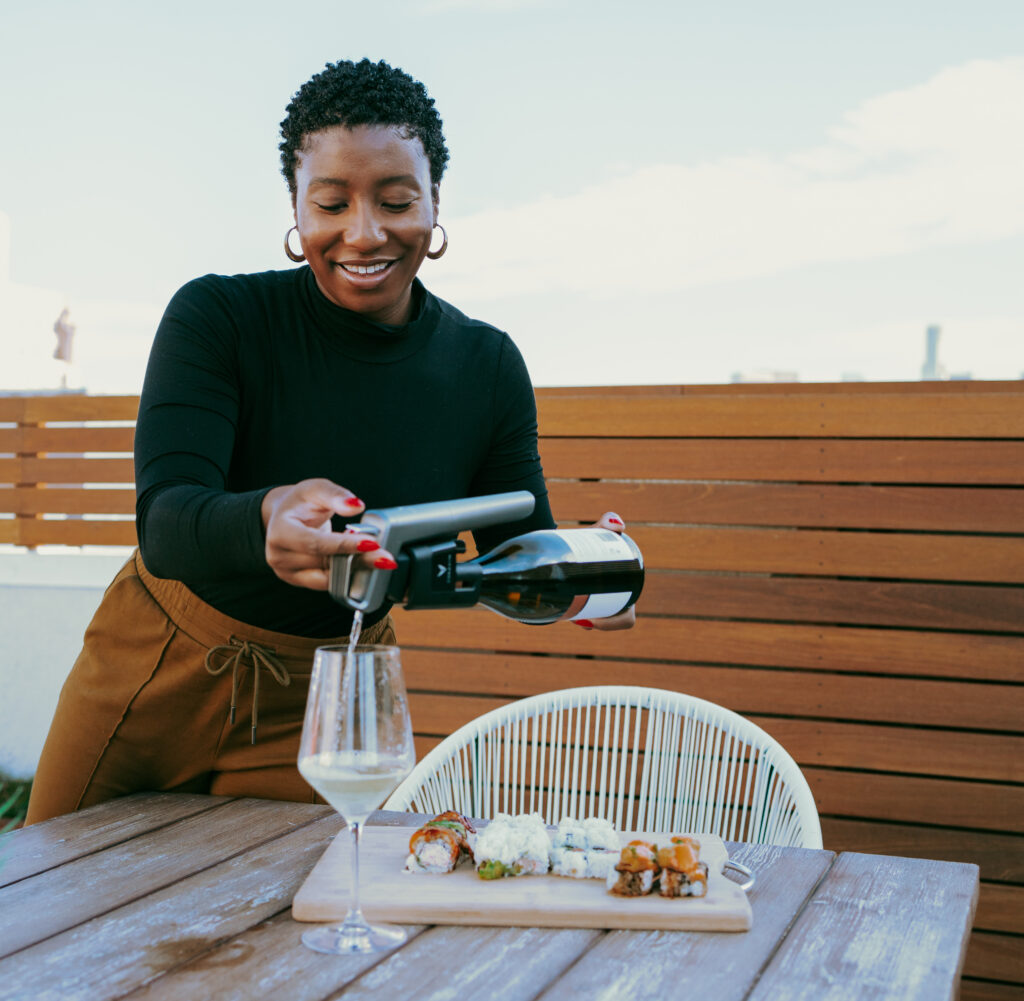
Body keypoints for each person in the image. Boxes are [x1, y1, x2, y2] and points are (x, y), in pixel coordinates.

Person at [25, 58, 634, 826]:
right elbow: (167, 521)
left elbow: (520, 550)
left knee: (303, 928)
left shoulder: (486, 366)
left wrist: (584, 584)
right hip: (156, 666)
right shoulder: (218, 319)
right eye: (331, 203)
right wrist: (268, 514)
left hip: (332, 698)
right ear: (297, 208)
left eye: (396, 200)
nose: (364, 232)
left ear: (434, 201)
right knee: (47, 904)